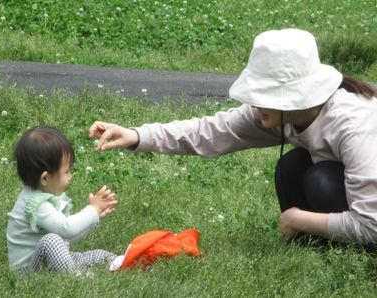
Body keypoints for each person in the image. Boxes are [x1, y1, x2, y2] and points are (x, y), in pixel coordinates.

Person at [88, 28, 377, 247]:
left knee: (320, 178)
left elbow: (371, 224)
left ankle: (351, 252)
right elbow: (210, 131)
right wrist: (137, 136)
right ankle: (318, 249)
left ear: (290, 96)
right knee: (292, 166)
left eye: (261, 94)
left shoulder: (353, 126)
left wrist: (296, 218)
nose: (253, 103)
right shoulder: (282, 113)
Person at [7, 125, 119, 275]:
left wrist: (93, 219)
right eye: (66, 171)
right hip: (29, 272)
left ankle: (121, 262)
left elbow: (65, 238)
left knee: (97, 255)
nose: (70, 176)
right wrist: (92, 209)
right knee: (51, 240)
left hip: (47, 262)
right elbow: (67, 229)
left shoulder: (45, 196)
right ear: (45, 178)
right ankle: (77, 277)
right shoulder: (37, 204)